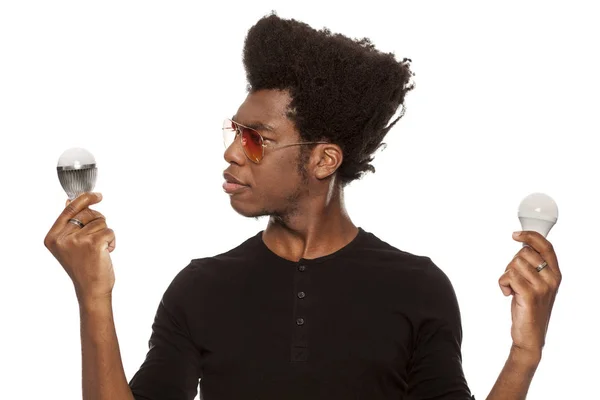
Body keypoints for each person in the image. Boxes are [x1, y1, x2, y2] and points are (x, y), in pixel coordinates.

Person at [44, 13, 562, 400]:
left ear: (323, 160)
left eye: (255, 138)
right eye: (235, 133)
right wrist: (94, 295)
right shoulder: (201, 287)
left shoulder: (417, 287)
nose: (230, 152)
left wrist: (524, 353)